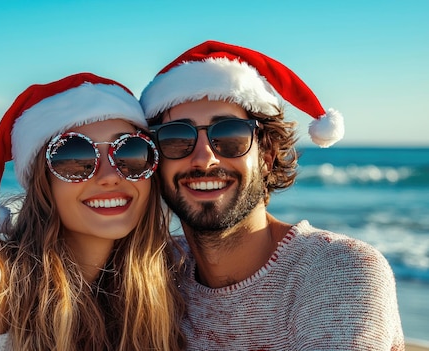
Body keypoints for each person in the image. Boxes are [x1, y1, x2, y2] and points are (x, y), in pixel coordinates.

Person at [139, 40, 404, 350]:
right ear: (155, 161)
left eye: (229, 135)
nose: (203, 158)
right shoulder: (150, 275)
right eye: (176, 138)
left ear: (266, 154)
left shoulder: (337, 271)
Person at [0, 73, 185, 350]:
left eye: (129, 153)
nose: (109, 176)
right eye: (75, 157)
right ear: (42, 182)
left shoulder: (164, 285)